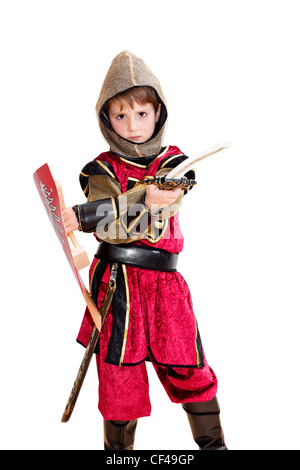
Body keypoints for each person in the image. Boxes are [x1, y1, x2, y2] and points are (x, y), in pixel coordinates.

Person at [62, 51, 227, 450]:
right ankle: (119, 457)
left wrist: (91, 213)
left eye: (141, 114)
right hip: (117, 286)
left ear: (158, 114)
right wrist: (125, 205)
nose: (133, 125)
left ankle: (215, 447)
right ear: (107, 119)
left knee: (189, 366)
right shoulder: (100, 170)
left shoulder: (175, 166)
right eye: (121, 116)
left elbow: (165, 204)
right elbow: (112, 230)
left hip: (166, 287)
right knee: (120, 376)